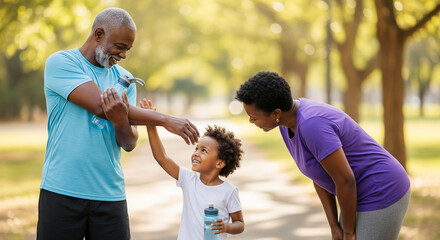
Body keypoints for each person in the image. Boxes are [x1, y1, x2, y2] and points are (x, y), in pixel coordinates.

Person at [38, 7, 199, 240]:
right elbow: (101, 107)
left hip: (109, 195)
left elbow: (128, 142)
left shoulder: (125, 79)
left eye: (128, 49)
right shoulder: (61, 63)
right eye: (120, 47)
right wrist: (164, 119)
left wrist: (123, 120)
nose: (124, 55)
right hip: (62, 191)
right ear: (99, 35)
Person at [235, 71, 410, 240]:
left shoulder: (312, 125)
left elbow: (345, 180)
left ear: (276, 114)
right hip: (356, 192)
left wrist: (348, 233)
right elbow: (318, 174)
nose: (251, 121)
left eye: (253, 117)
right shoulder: (286, 124)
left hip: (381, 188)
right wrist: (334, 227)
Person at [139, 98, 245, 240]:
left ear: (220, 163)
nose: (196, 153)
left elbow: (239, 224)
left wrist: (226, 227)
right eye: (196, 148)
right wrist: (151, 124)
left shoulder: (229, 191)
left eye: (204, 151)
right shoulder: (189, 179)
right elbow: (162, 158)